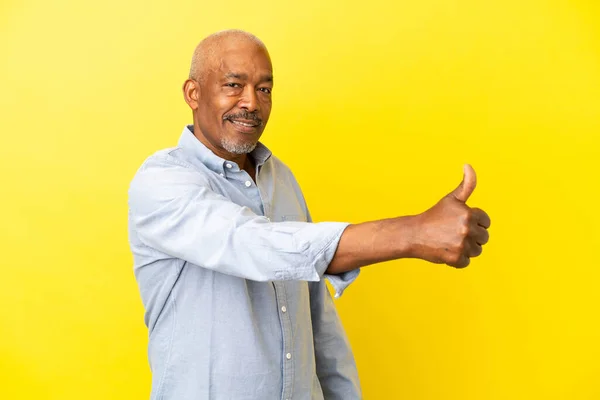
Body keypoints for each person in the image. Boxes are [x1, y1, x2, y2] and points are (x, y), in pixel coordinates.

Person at [127, 29, 491, 400]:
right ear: (193, 93)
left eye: (264, 89)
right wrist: (414, 233)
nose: (251, 102)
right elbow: (254, 245)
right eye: (234, 85)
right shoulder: (161, 182)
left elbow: (317, 315)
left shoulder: (281, 178)